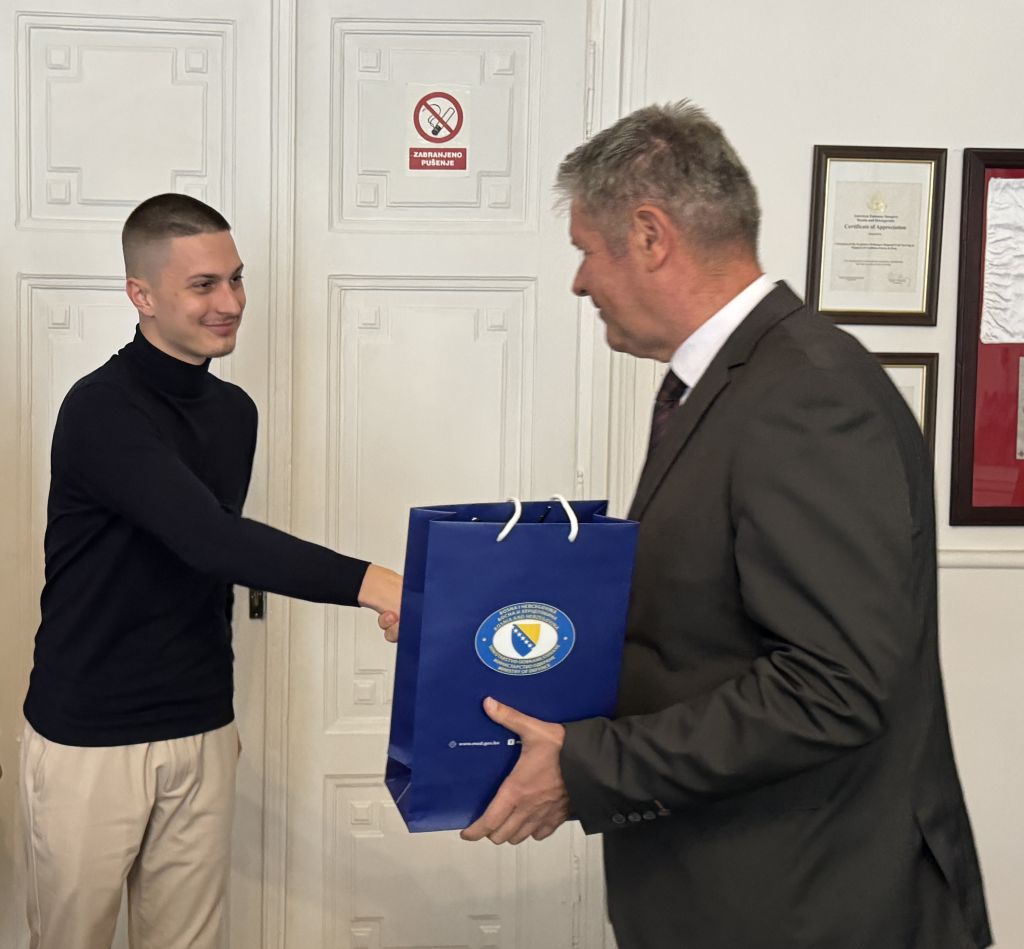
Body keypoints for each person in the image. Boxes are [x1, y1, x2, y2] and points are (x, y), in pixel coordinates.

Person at [461, 102, 992, 949]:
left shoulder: (806, 396)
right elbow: (701, 625)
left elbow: (832, 686)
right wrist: (478, 628)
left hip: (807, 904)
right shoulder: (732, 384)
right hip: (733, 888)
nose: (579, 283)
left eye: (585, 251)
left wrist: (590, 767)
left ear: (649, 235)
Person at [18, 193, 401, 949]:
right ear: (142, 294)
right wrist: (378, 583)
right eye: (203, 285)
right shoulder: (100, 409)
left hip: (200, 720)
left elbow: (204, 554)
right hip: (88, 735)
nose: (230, 303)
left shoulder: (235, 413)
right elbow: (208, 540)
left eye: (236, 278)